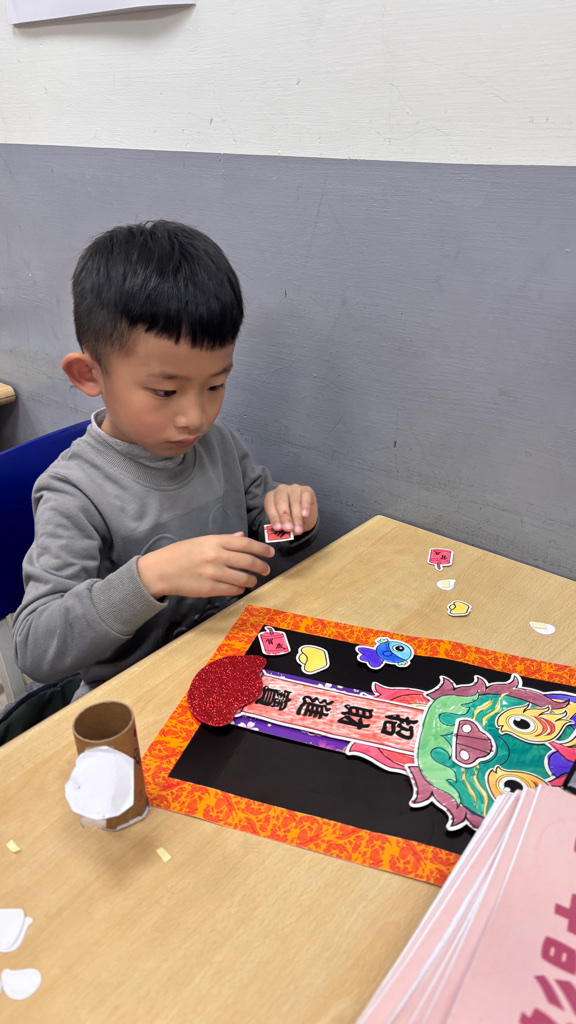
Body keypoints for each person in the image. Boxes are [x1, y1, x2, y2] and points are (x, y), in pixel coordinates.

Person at [12, 221, 318, 699]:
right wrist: (148, 578)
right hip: (134, 698)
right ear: (89, 374)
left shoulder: (217, 444)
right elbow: (36, 648)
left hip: (226, 668)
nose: (195, 417)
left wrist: (290, 519)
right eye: (165, 392)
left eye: (215, 385)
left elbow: (262, 534)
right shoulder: (74, 493)